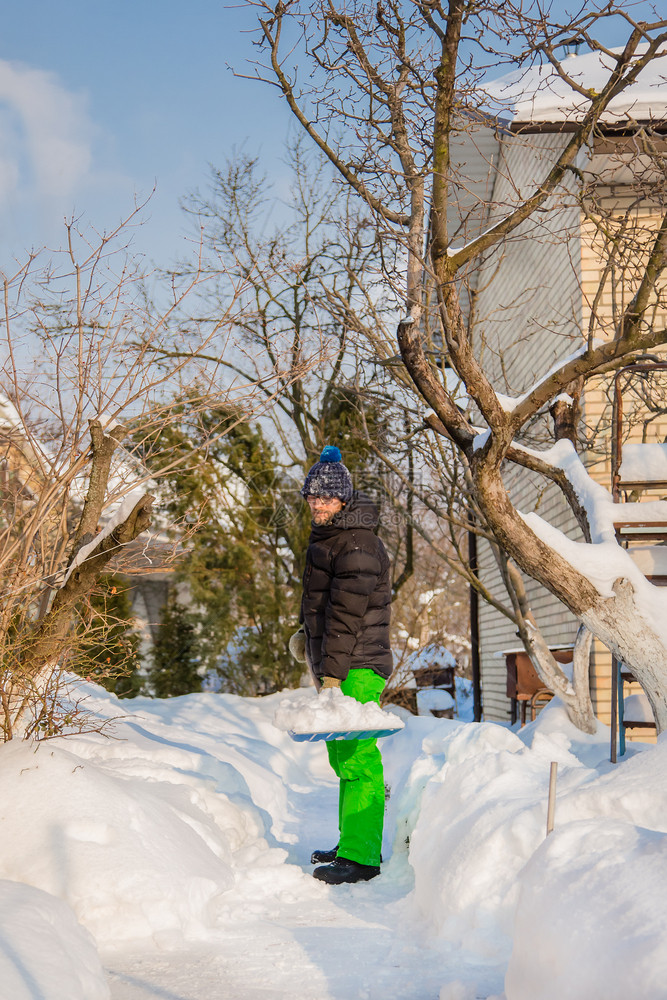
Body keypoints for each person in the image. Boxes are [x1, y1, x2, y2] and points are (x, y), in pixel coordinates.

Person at [290, 445, 392, 885]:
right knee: (341, 755)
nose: (318, 504)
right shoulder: (332, 538)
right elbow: (322, 607)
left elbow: (347, 615)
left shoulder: (358, 543)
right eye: (313, 496)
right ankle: (351, 839)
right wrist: (304, 639)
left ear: (345, 500)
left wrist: (331, 675)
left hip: (357, 665)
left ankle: (362, 857)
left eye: (327, 498)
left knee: (357, 757)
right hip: (337, 662)